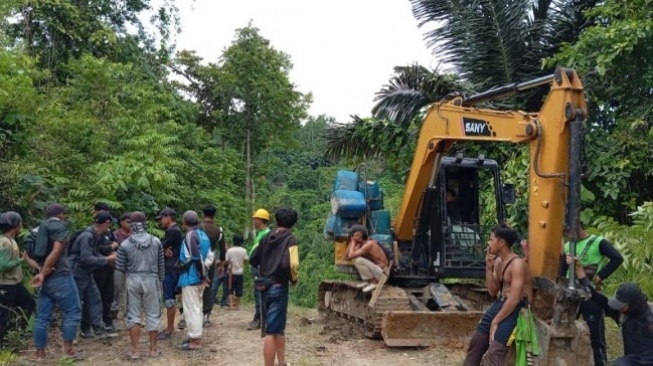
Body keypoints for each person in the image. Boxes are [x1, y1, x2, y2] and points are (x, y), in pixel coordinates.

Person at [463, 223, 533, 366]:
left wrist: (496, 321)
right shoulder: (498, 262)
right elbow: (492, 291)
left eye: (491, 239)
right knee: (477, 341)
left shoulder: (517, 264)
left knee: (495, 350)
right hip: (501, 304)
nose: (488, 243)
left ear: (501, 243)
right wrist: (488, 268)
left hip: (518, 309)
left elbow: (514, 299)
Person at [568, 256, 653, 366]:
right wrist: (579, 271)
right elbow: (594, 296)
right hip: (634, 359)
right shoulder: (621, 313)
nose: (618, 307)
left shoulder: (650, 314)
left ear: (633, 304)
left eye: (622, 305)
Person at [561, 221, 623, 366]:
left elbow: (617, 258)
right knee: (567, 329)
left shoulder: (597, 242)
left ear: (576, 227)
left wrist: (600, 276)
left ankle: (600, 361)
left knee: (595, 334)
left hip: (591, 294)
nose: (565, 236)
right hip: (572, 295)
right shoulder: (567, 246)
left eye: (566, 232)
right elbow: (562, 272)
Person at [31, 204, 82, 361]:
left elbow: (29, 253)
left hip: (44, 279)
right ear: (61, 214)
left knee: (42, 317)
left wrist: (40, 272)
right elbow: (56, 251)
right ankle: (68, 350)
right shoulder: (59, 227)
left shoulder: (37, 230)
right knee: (73, 311)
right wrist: (44, 273)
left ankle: (40, 355)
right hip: (60, 275)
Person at [250, 207, 299, 366]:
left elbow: (253, 258)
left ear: (276, 220)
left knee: (277, 326)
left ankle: (282, 362)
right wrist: (294, 279)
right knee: (272, 331)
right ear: (293, 223)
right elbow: (290, 264)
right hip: (279, 286)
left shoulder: (266, 236)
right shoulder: (290, 239)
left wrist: (265, 269)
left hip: (264, 285)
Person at [115, 212, 165, 360]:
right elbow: (161, 265)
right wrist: (161, 282)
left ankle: (136, 351)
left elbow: (119, 268)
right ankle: (153, 349)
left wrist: (118, 290)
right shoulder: (156, 242)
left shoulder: (125, 244)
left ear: (131, 224)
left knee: (133, 315)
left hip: (132, 280)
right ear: (145, 223)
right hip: (152, 280)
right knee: (153, 313)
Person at [69, 211, 117, 339]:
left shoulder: (96, 235)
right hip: (77, 272)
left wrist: (107, 258)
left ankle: (96, 327)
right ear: (106, 223)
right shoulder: (87, 236)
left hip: (87, 272)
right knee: (76, 303)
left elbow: (93, 255)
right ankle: (71, 335)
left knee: (95, 299)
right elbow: (86, 258)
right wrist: (106, 260)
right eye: (110, 224)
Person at [176, 210, 210, 351]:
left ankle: (195, 340)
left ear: (185, 223)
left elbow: (195, 257)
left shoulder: (191, 235)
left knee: (192, 309)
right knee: (197, 307)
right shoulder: (203, 235)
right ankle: (194, 336)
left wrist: (200, 276)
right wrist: (204, 275)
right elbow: (208, 256)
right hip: (199, 276)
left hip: (191, 277)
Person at [0, 212, 35, 345]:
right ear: (15, 225)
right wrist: (20, 260)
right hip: (6, 285)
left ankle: (15, 335)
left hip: (15, 284)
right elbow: (2, 266)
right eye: (20, 223)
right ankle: (4, 343)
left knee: (29, 304)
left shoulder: (10, 240)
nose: (21, 225)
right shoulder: (5, 242)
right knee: (3, 315)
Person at [91, 203, 119, 334]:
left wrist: (112, 248)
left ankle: (107, 321)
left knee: (108, 295)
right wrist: (111, 248)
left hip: (109, 267)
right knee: (96, 296)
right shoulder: (92, 233)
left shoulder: (109, 232)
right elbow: (98, 249)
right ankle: (94, 324)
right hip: (98, 267)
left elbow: (115, 243)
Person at [156, 207, 183, 340]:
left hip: (171, 267)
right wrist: (165, 247)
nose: (160, 221)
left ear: (168, 217)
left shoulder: (173, 230)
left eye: (161, 218)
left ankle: (170, 328)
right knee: (169, 297)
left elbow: (159, 246)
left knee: (169, 298)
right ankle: (170, 327)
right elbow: (163, 246)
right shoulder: (175, 230)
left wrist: (164, 247)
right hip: (173, 266)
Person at [199, 204, 226, 327]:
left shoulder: (197, 228)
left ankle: (189, 315)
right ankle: (207, 316)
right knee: (208, 287)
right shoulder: (218, 230)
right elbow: (222, 251)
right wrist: (221, 265)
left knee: (194, 286)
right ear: (214, 215)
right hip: (210, 262)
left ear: (203, 214)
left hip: (196, 260)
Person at [346, 225, 389, 293]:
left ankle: (374, 282)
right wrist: (352, 241)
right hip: (377, 272)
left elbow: (351, 255)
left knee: (358, 260)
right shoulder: (361, 244)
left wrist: (354, 241)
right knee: (356, 259)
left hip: (382, 274)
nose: (351, 237)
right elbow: (347, 256)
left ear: (360, 236)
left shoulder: (369, 244)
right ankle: (369, 281)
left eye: (352, 236)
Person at [247, 208, 271, 331]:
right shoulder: (261, 234)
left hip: (260, 269)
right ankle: (261, 318)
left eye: (255, 219)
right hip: (258, 268)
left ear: (261, 220)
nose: (254, 222)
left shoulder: (266, 235)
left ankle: (259, 319)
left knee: (260, 294)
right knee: (259, 294)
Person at [111, 212, 131, 320]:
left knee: (130, 291)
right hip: (118, 266)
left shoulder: (135, 235)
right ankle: (113, 313)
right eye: (128, 222)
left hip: (131, 267)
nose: (130, 224)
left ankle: (128, 314)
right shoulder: (115, 234)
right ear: (122, 222)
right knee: (117, 289)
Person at [225, 234, 248, 310]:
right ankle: (237, 306)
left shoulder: (229, 250)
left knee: (230, 289)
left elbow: (227, 261)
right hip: (240, 272)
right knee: (239, 289)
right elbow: (246, 260)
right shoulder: (243, 250)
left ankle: (231, 305)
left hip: (231, 272)